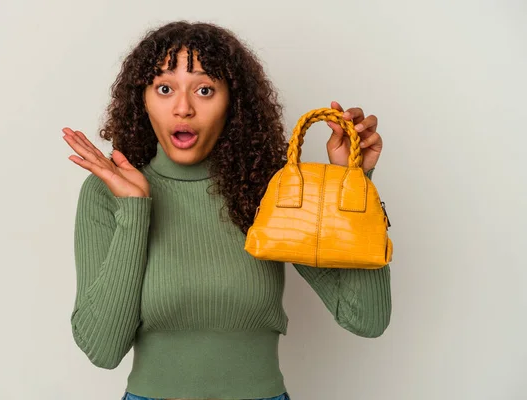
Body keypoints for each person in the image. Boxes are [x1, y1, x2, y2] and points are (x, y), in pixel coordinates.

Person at [62, 20, 391, 400]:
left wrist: (355, 183)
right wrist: (135, 210)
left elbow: (366, 318)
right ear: (142, 100)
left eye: (204, 89)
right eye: (164, 88)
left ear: (233, 103)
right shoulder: (106, 192)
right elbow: (102, 349)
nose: (183, 108)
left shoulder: (271, 190)